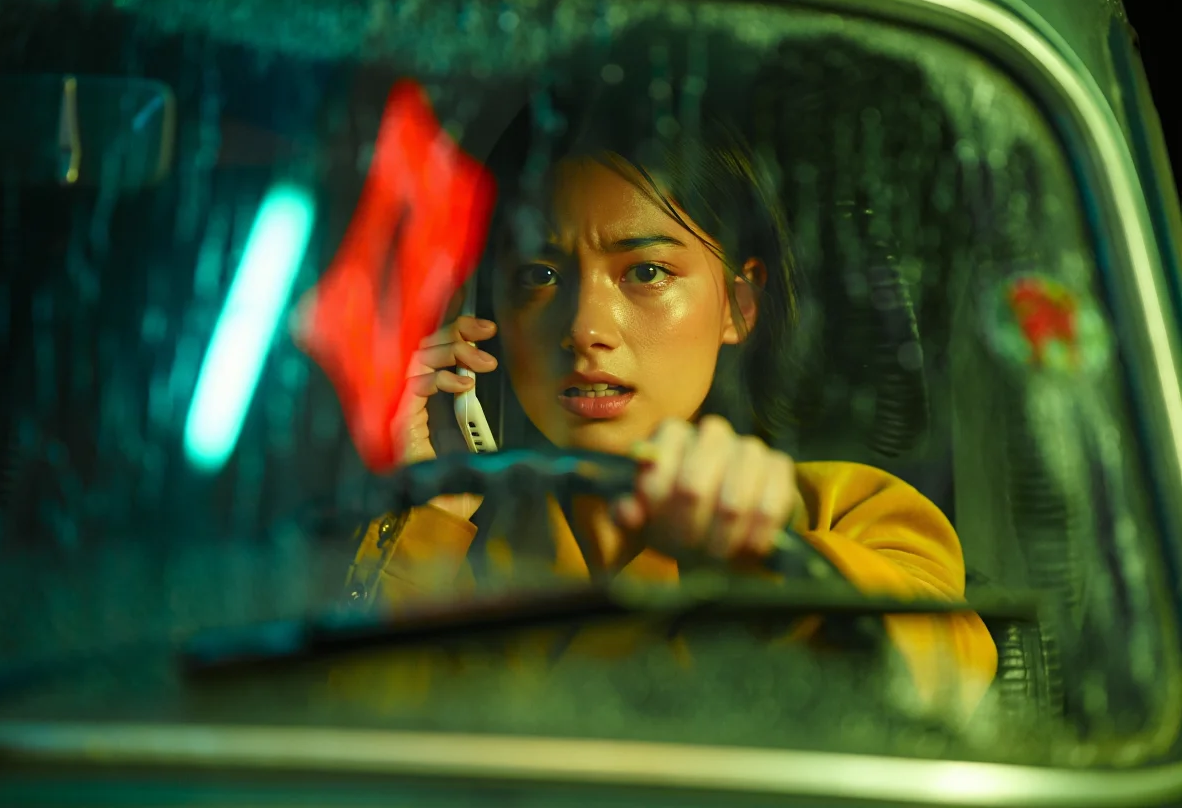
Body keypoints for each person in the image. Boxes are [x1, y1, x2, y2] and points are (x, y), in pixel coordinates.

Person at [323, 39, 998, 718]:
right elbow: (348, 747)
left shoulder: (849, 511)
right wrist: (432, 513)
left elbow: (946, 672)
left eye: (645, 272)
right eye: (540, 276)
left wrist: (754, 561)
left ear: (739, 305)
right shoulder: (450, 550)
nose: (586, 326)